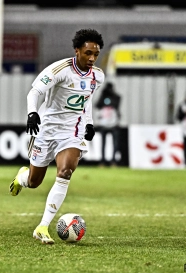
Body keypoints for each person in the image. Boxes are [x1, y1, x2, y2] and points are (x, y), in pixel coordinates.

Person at [8, 28, 105, 244]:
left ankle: (42, 227)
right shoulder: (59, 69)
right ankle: (22, 178)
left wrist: (89, 123)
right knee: (34, 181)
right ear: (77, 50)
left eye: (95, 54)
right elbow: (35, 92)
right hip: (46, 130)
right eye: (88, 53)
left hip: (72, 131)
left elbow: (86, 99)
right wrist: (32, 113)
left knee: (66, 171)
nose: (92, 58)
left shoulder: (98, 76)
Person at [95, 82, 121, 166]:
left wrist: (110, 95)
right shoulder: (102, 98)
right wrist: (102, 95)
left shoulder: (116, 97)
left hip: (113, 123)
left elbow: (116, 103)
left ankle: (114, 161)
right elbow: (97, 105)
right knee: (103, 144)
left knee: (115, 144)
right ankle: (102, 160)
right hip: (103, 123)